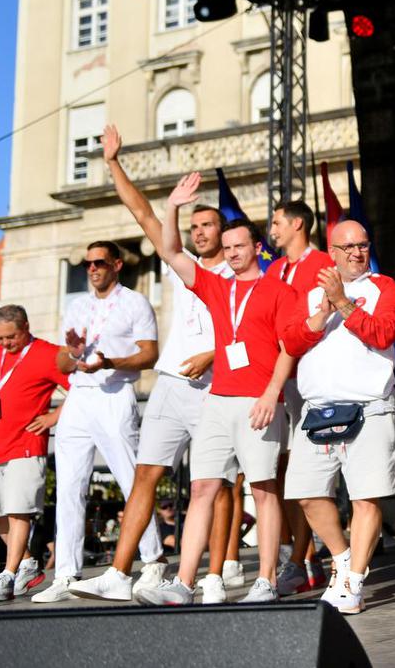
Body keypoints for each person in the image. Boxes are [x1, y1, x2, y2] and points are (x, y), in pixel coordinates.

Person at [72, 125, 239, 604]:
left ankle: (213, 575)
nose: (200, 232)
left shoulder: (236, 274)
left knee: (216, 483)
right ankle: (119, 573)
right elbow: (141, 211)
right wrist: (112, 162)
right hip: (168, 384)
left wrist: (214, 352)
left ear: (223, 234)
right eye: (196, 226)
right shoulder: (177, 261)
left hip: (214, 386)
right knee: (146, 473)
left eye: (209, 226)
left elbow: (253, 332)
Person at [135, 172, 299, 606]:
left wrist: (270, 394)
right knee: (203, 488)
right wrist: (172, 206)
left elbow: (289, 348)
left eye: (239, 246)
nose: (232, 253)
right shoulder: (217, 286)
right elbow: (170, 250)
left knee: (262, 490)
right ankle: (183, 583)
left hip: (258, 402)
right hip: (218, 400)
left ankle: (264, 579)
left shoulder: (277, 290)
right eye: (227, 249)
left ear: (256, 248)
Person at [281, 220, 395, 614]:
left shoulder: (385, 288)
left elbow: (383, 333)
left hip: (369, 407)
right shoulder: (309, 293)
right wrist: (321, 314)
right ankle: (342, 558)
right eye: (348, 247)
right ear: (331, 253)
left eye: (363, 245)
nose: (357, 253)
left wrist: (344, 302)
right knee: (306, 493)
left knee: (366, 498)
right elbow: (290, 341)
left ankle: (352, 583)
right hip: (317, 411)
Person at [32, 241, 163, 603]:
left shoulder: (135, 302)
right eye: (87, 263)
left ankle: (153, 560)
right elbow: (60, 362)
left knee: (131, 480)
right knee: (69, 486)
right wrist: (72, 353)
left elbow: (150, 354)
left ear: (116, 264)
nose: (92, 269)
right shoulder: (77, 305)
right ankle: (65, 574)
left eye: (99, 262)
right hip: (79, 396)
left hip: (114, 393)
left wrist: (109, 362)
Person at [0, 305, 67, 602]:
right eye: (0, 338)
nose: (5, 343)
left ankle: (8, 574)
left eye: (11, 337)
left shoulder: (48, 353)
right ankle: (28, 563)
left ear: (26, 326)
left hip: (26, 444)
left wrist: (54, 417)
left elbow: (80, 385)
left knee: (19, 509)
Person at [266, 199, 334, 594]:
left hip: (311, 377)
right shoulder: (274, 269)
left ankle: (305, 558)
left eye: (276, 222)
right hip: (277, 376)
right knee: (281, 471)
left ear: (296, 225)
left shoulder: (323, 263)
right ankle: (305, 558)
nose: (271, 229)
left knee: (305, 471)